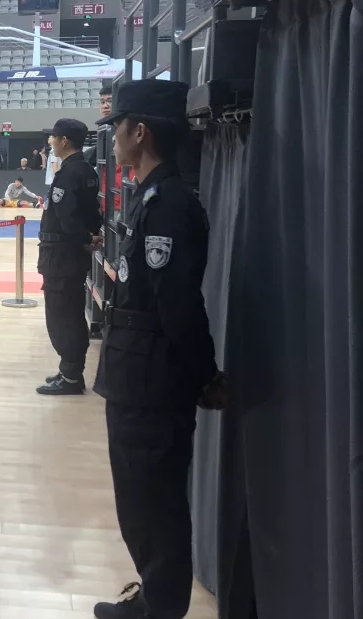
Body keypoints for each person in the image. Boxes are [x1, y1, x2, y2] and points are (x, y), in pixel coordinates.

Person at [91, 79, 228, 619]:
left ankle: (162, 608)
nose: (114, 137)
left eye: (119, 127)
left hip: (150, 381)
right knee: (141, 499)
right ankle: (154, 597)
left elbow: (178, 305)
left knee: (153, 502)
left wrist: (205, 375)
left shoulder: (167, 203)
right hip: (138, 373)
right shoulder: (153, 196)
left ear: (140, 132)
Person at [36, 118, 102, 396]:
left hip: (61, 254)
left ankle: (72, 376)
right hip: (69, 254)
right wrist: (88, 237)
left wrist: (84, 238)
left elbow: (67, 218)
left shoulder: (70, 173)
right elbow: (92, 213)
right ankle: (69, 371)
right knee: (70, 312)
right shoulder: (85, 170)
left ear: (64, 141)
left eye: (53, 137)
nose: (50, 141)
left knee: (61, 315)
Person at [86, 85, 115, 167]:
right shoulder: (103, 127)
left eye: (110, 101)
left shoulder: (121, 127)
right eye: (102, 102)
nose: (105, 106)